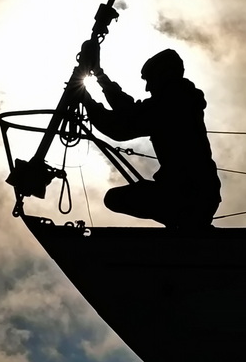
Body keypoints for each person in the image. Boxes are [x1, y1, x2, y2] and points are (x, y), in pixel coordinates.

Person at [80, 48, 221, 228]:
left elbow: (121, 126)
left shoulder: (173, 104)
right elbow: (130, 111)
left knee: (114, 199)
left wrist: (87, 101)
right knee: (127, 196)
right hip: (196, 194)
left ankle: (187, 229)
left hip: (187, 195)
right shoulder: (179, 100)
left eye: (149, 80)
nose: (147, 88)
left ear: (163, 75)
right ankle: (187, 227)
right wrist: (100, 77)